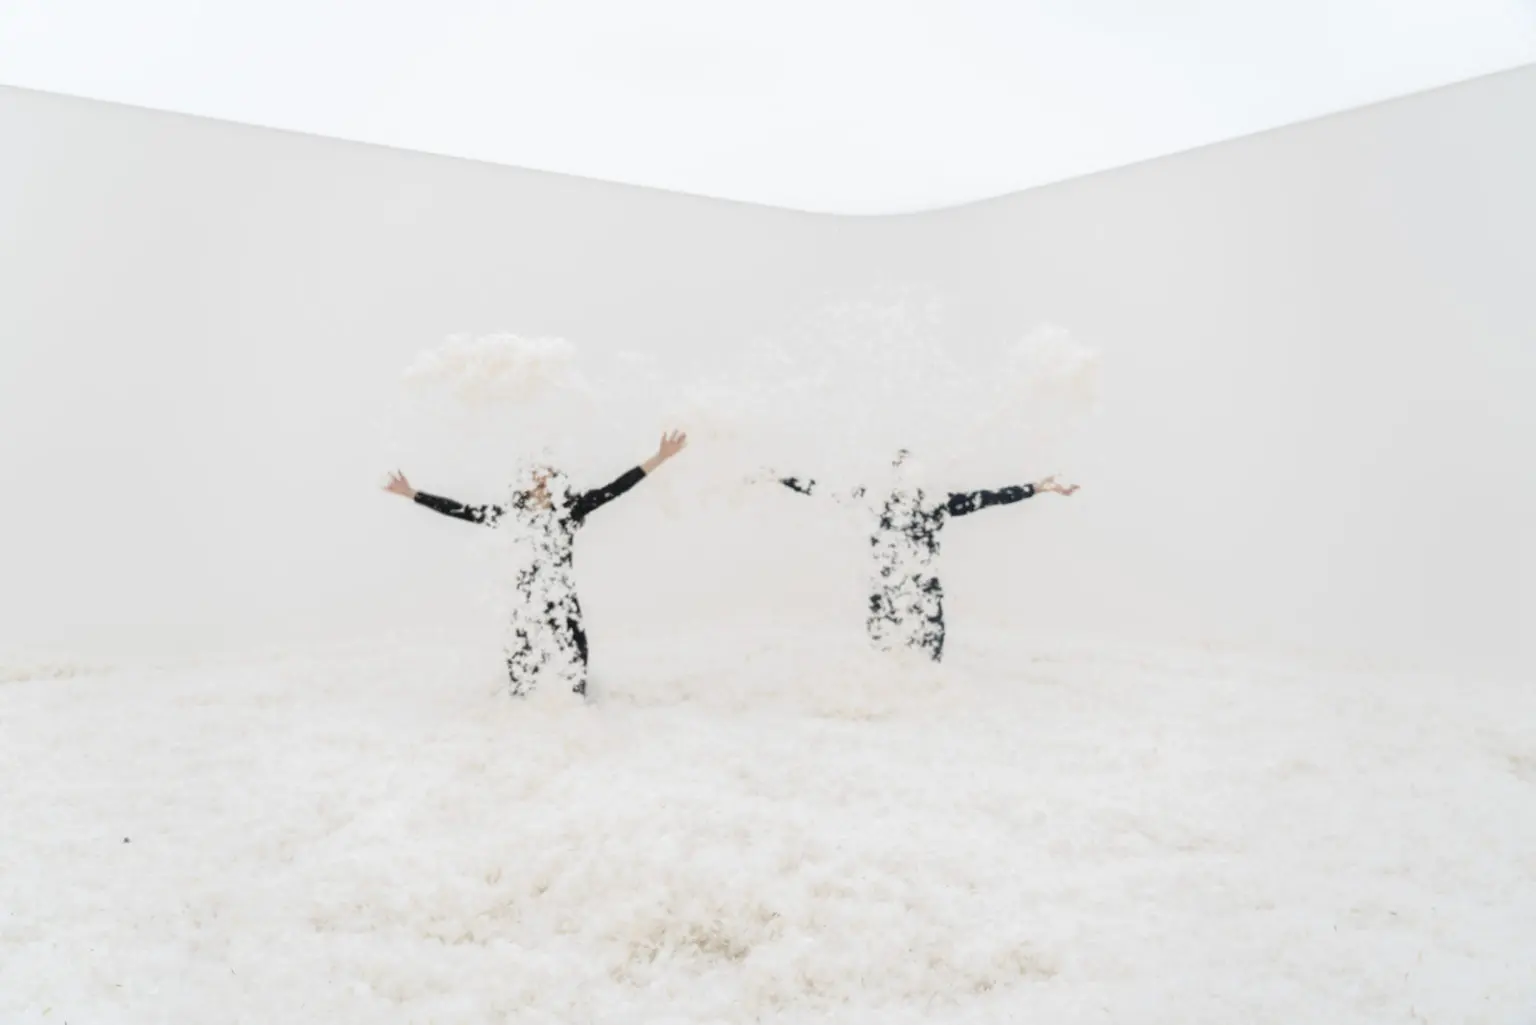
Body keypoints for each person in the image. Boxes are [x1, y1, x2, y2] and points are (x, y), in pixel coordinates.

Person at [384, 430, 688, 696]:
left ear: (557, 481)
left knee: (577, 656)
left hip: (562, 595)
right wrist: (412, 493)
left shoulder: (570, 510)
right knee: (520, 660)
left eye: (548, 475)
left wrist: (659, 457)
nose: (541, 480)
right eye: (535, 475)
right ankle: (518, 708)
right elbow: (461, 510)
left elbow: (617, 487)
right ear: (526, 484)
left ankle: (576, 706)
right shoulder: (513, 516)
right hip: (529, 595)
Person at [768, 449, 1077, 662]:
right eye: (899, 470)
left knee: (930, 639)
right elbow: (822, 489)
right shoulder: (875, 499)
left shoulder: (935, 502)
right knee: (883, 640)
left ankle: (925, 688)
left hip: (922, 580)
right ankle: (888, 683)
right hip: (887, 579)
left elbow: (989, 498)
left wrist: (1035, 488)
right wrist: (782, 478)